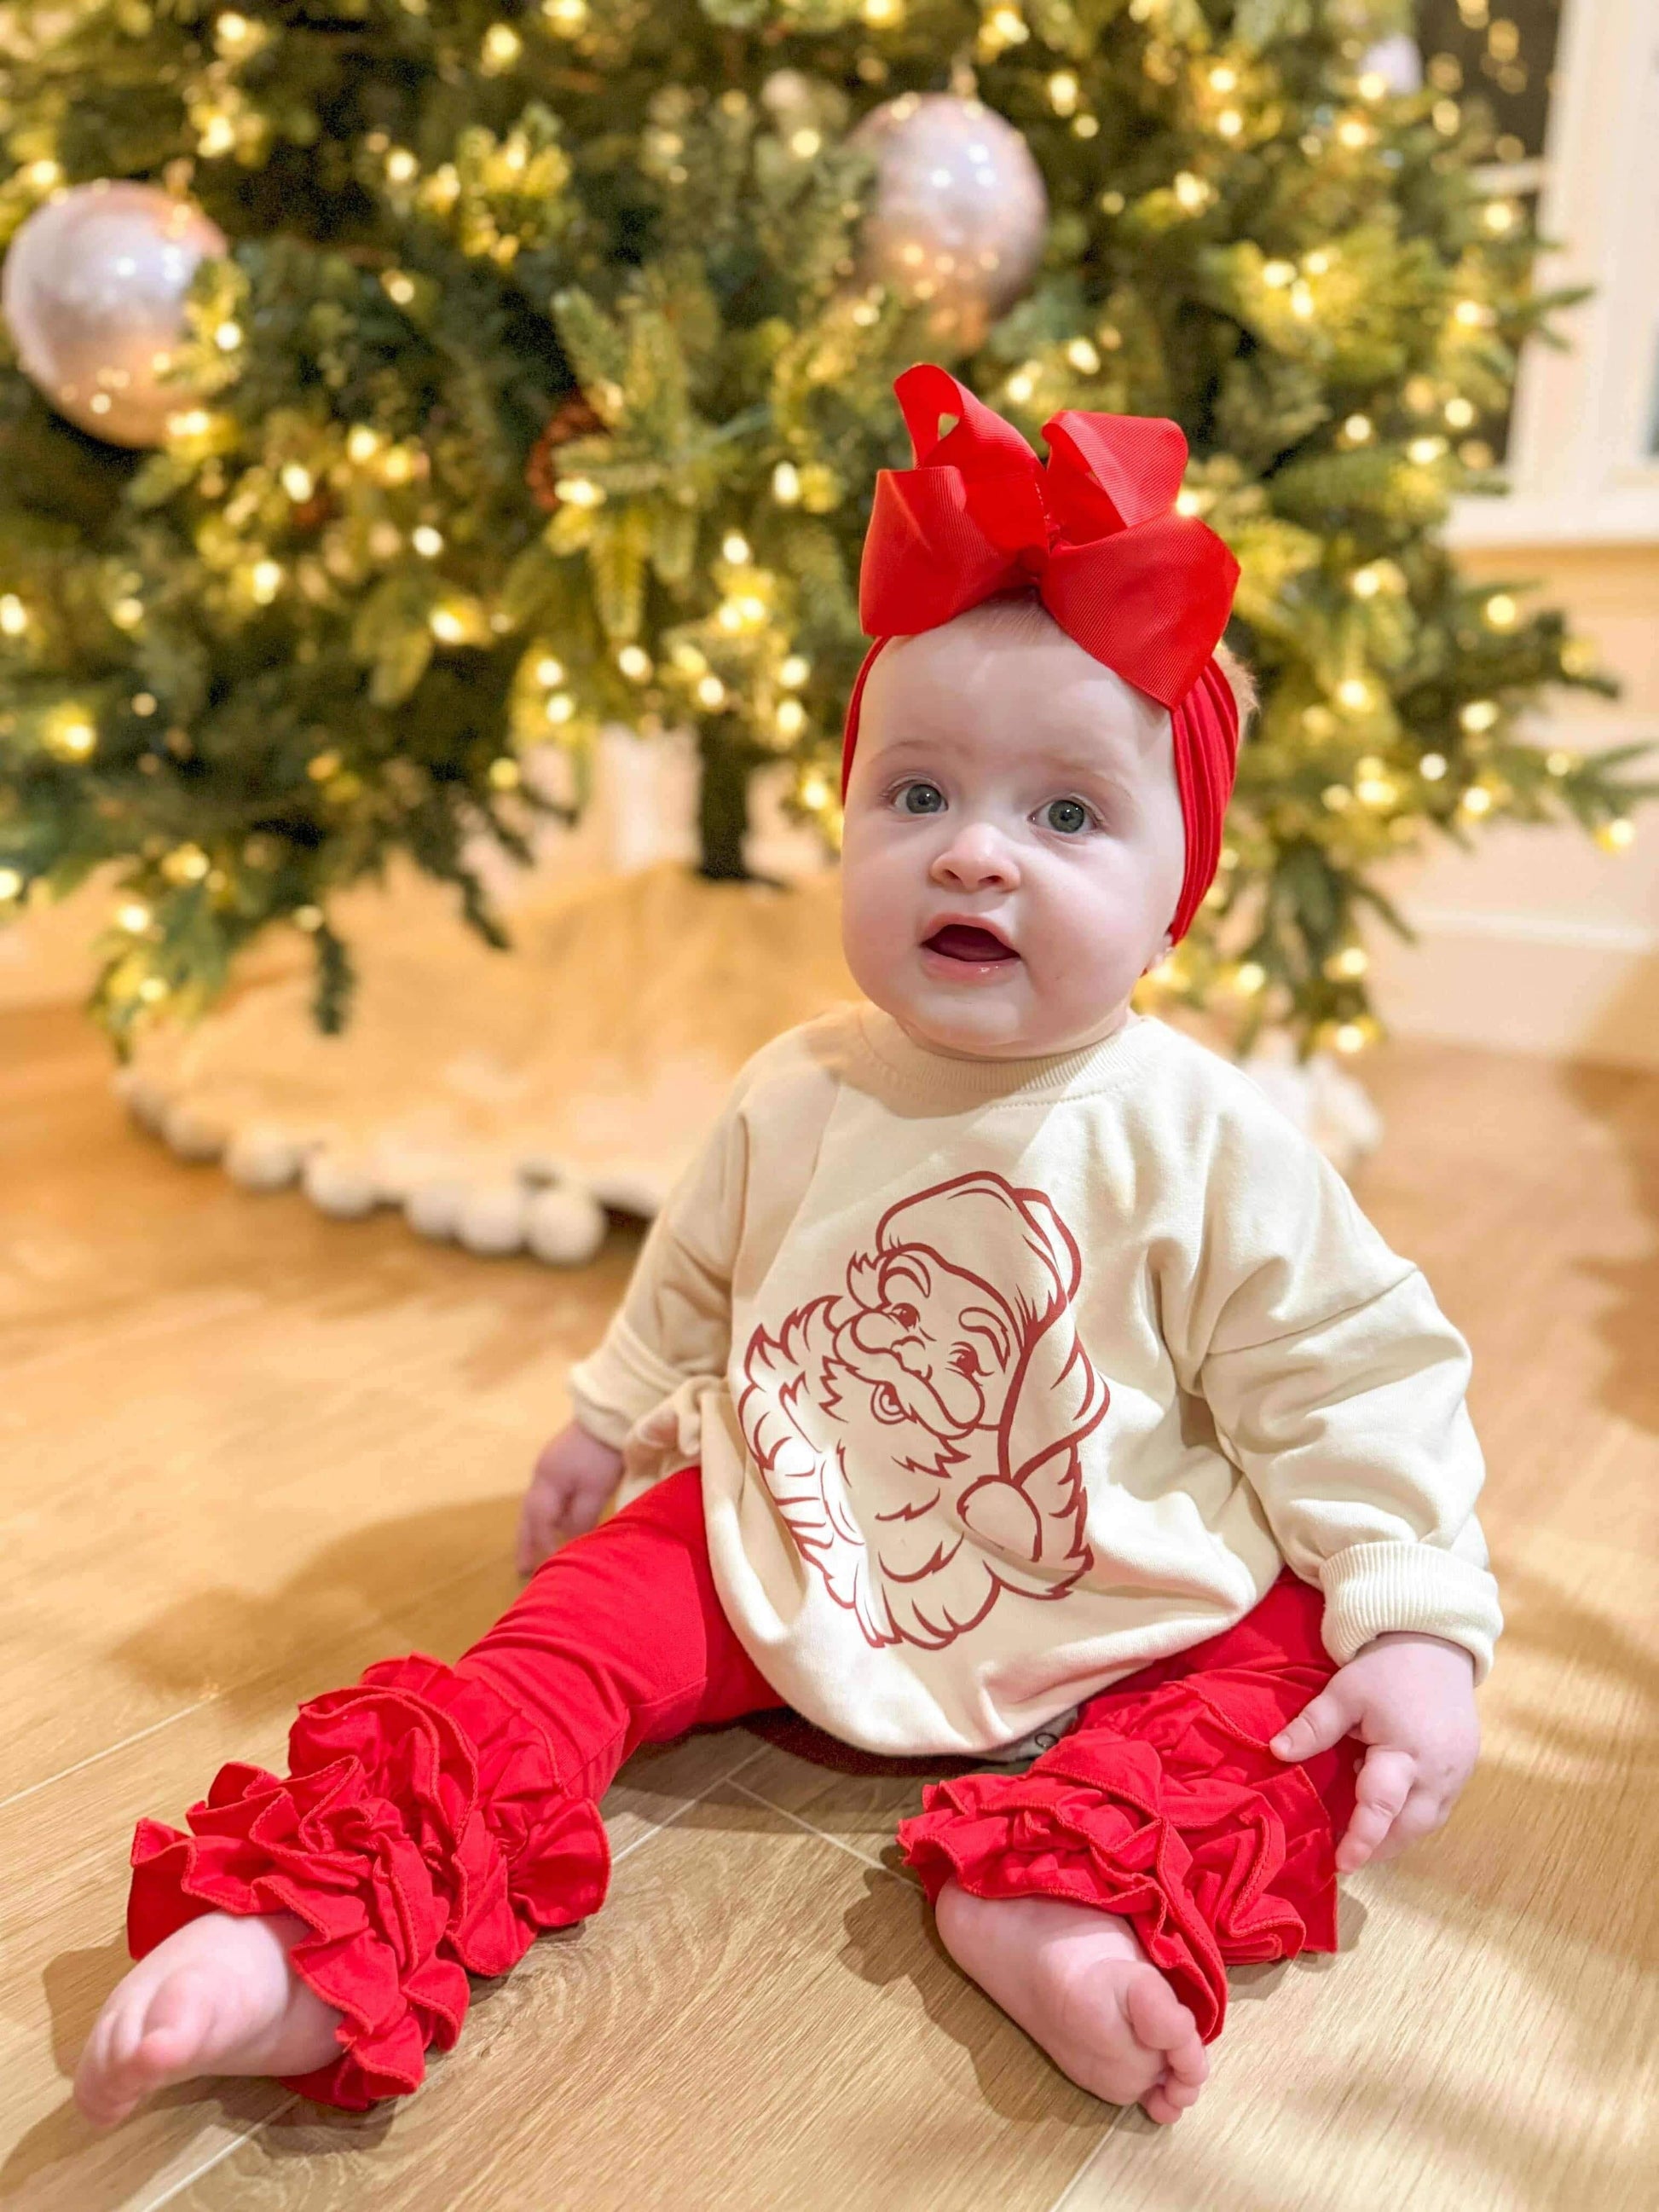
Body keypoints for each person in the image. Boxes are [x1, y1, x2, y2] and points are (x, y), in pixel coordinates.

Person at [74, 366, 1497, 2133]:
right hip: (785, 1524)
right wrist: (606, 1421)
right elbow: (694, 1276)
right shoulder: (797, 1083)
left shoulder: (1203, 1132)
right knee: (556, 1638)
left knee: (1305, 1684)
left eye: (1066, 815)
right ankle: (318, 1927)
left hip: (1121, 1583)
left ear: (1174, 881)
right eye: (916, 794)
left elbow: (1348, 1373)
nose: (976, 849)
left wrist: (1418, 1618)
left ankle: (1063, 1889)